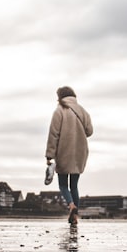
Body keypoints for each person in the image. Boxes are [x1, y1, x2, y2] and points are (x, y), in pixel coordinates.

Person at [45, 86, 93, 224]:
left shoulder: (59, 111)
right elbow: (90, 131)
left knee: (63, 185)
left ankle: (71, 205)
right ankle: (75, 217)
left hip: (63, 151)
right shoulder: (83, 111)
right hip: (80, 151)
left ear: (60, 97)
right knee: (74, 186)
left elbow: (53, 134)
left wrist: (49, 155)